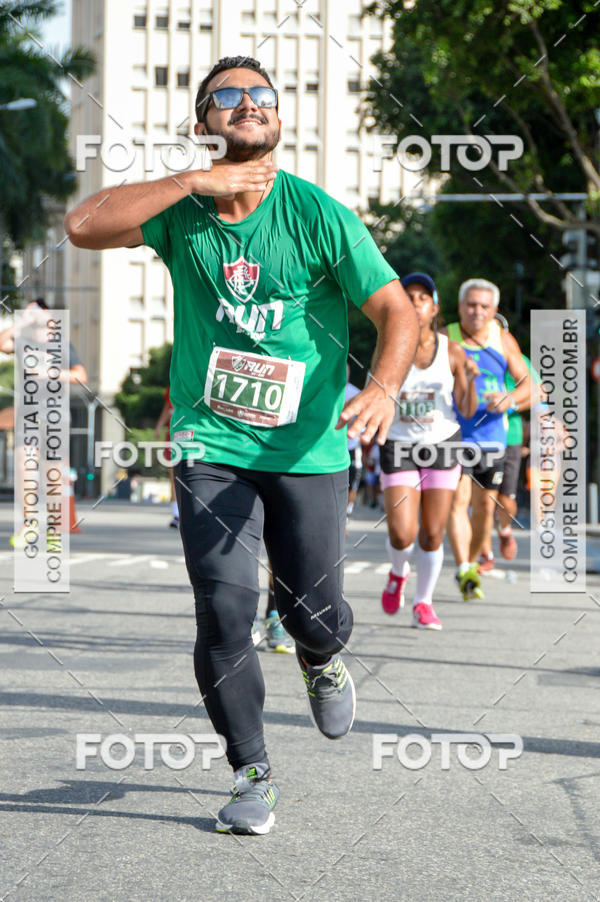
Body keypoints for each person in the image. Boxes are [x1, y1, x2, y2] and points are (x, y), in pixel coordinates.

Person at [64, 56, 419, 835]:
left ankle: (321, 654)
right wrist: (192, 181)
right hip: (211, 443)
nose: (249, 103)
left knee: (311, 614)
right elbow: (82, 226)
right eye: (228, 96)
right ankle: (252, 770)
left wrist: (385, 388)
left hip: (307, 450)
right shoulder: (180, 210)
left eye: (262, 95)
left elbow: (397, 311)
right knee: (224, 609)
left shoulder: (318, 215)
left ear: (279, 119)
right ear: (203, 124)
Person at [380, 273, 478, 629]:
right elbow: (377, 390)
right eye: (408, 297)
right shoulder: (389, 344)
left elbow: (466, 409)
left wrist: (469, 379)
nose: (415, 303)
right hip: (400, 443)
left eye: (423, 298)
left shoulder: (452, 351)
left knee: (433, 533)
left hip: (442, 444)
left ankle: (423, 603)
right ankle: (398, 572)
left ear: (434, 308)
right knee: (402, 533)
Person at [443, 279, 531, 600]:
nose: (477, 311)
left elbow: (530, 386)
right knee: (458, 501)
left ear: (494, 310)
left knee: (484, 507)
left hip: (492, 436)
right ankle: (463, 566)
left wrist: (509, 399)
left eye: (484, 306)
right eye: (471, 305)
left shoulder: (503, 339)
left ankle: (474, 559)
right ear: (460, 307)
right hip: (453, 433)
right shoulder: (446, 337)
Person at [6, 299, 88, 549]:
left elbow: (81, 375)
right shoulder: (23, 341)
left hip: (56, 416)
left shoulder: (61, 346)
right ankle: (29, 522)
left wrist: (51, 373)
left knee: (53, 475)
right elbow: (2, 343)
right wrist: (21, 320)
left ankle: (53, 527)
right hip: (28, 414)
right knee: (24, 464)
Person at [478, 317, 541, 570]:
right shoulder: (470, 356)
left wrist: (510, 403)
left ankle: (504, 529)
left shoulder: (517, 358)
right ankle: (485, 554)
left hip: (510, 436)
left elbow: (539, 392)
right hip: (478, 437)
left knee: (505, 499)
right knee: (482, 500)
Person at [153, 382, 180, 528]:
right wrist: (159, 426)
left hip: (193, 436)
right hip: (173, 435)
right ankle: (176, 514)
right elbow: (167, 408)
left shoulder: (197, 381)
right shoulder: (172, 387)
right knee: (173, 475)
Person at [345, 363, 363, 520]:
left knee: (352, 480)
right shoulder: (325, 389)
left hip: (351, 446)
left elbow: (364, 420)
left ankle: (347, 511)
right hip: (331, 447)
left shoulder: (356, 393)